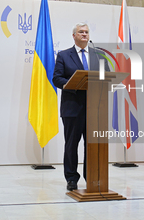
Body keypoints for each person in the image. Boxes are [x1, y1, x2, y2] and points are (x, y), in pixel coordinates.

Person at [52, 22, 109, 191]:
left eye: (86, 32)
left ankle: (91, 176)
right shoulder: (64, 55)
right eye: (81, 32)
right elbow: (57, 78)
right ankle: (71, 178)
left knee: (92, 144)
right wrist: (74, 83)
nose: (84, 34)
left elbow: (105, 74)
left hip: (95, 109)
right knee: (71, 145)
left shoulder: (98, 55)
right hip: (72, 108)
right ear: (74, 36)